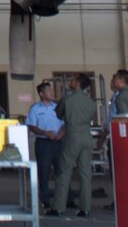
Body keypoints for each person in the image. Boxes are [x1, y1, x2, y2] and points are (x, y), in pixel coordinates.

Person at [51, 74, 97, 218]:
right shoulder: (91, 102)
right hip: (86, 136)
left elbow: (59, 114)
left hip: (72, 136)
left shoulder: (68, 99)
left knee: (64, 172)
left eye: (72, 80)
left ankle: (58, 207)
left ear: (77, 83)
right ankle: (85, 208)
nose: (70, 82)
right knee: (85, 173)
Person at [24, 80, 64, 210]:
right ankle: (45, 200)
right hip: (44, 143)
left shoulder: (57, 107)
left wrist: (61, 134)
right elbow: (31, 126)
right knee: (44, 172)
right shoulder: (35, 109)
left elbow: (65, 122)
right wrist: (45, 133)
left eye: (51, 90)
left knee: (62, 171)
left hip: (58, 142)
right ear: (41, 94)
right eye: (48, 91)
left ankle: (64, 199)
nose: (52, 93)